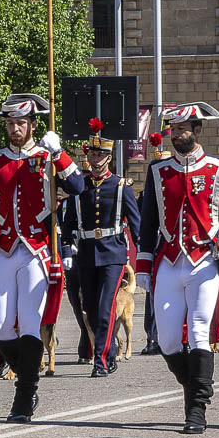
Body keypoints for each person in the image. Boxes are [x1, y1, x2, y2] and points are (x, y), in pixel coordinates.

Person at [0, 94, 83, 423]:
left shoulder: (47, 155)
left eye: (21, 123)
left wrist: (60, 154)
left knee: (30, 321)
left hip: (37, 248)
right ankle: (28, 378)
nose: (15, 129)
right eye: (10, 123)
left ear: (33, 124)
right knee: (0, 325)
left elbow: (77, 186)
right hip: (4, 246)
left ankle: (24, 396)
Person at [136, 103, 219, 434]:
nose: (177, 134)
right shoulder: (158, 171)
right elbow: (148, 221)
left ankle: (196, 408)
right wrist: (143, 262)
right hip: (168, 259)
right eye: (174, 128)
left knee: (198, 330)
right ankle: (195, 386)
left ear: (198, 131)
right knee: (166, 340)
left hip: (205, 261)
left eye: (184, 128)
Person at [61, 127, 141, 378]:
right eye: (92, 155)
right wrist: (65, 248)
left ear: (108, 157)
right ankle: (110, 346)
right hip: (86, 254)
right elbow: (68, 225)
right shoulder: (79, 189)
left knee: (107, 305)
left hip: (113, 255)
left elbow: (136, 225)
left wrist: (147, 257)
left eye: (100, 155)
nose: (95, 159)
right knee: (92, 310)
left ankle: (101, 361)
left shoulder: (120, 187)